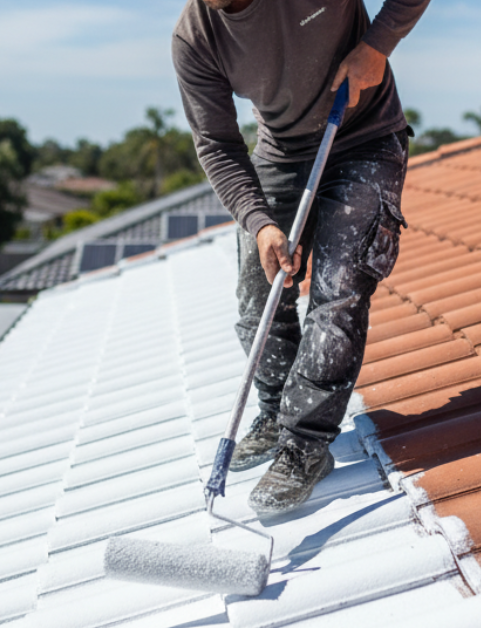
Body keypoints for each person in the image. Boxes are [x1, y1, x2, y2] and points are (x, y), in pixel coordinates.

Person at [172, 0, 428, 515]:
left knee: (337, 291)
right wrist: (260, 222)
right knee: (256, 294)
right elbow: (218, 144)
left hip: (364, 138)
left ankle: (306, 445)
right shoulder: (195, 39)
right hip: (283, 152)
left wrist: (377, 46)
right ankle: (274, 410)